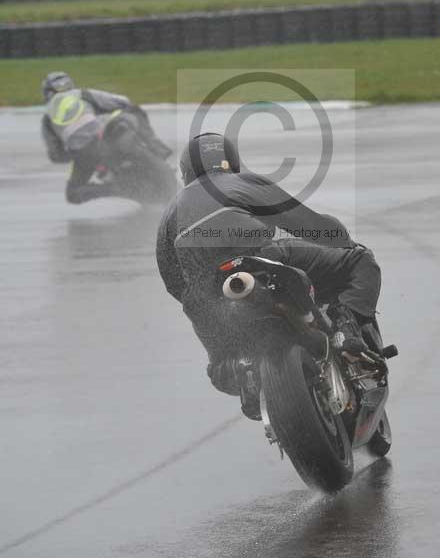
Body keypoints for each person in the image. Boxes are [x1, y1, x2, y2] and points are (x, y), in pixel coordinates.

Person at [156, 132, 383, 404]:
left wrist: (199, 295)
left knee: (217, 355)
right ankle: (347, 331)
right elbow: (307, 225)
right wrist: (341, 239)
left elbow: (172, 280)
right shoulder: (242, 181)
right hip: (260, 257)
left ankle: (233, 368)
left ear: (186, 172)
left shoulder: (169, 213)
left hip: (205, 290)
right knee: (360, 260)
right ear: (232, 161)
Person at [41, 71, 171, 204]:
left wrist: (76, 153)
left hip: (84, 154)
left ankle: (115, 188)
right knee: (133, 109)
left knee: (73, 194)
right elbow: (122, 101)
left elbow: (56, 155)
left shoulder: (47, 119)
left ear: (47, 93)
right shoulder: (81, 94)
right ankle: (155, 146)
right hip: (105, 138)